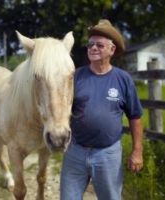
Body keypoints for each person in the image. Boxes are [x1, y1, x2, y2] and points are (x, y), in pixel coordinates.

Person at [60, 19, 144, 200]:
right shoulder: (75, 76)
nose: (93, 48)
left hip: (108, 154)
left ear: (112, 50)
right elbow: (61, 107)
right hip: (75, 151)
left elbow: (135, 117)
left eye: (99, 45)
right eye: (90, 45)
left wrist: (137, 152)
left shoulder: (123, 79)